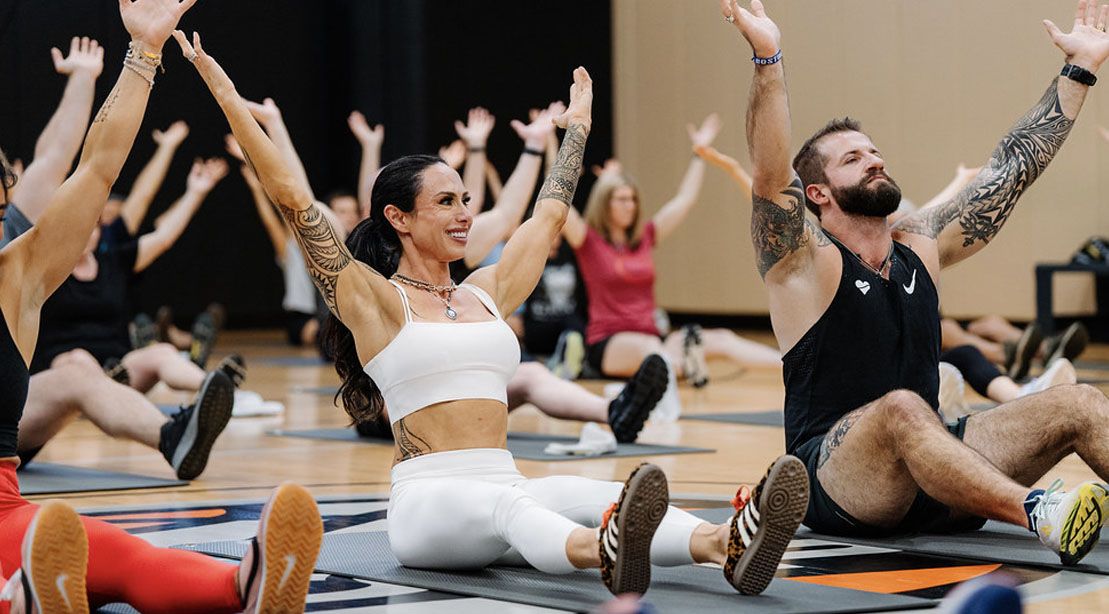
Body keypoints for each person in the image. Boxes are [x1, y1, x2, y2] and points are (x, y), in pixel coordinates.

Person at [176, 29, 807, 595]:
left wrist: (577, 130)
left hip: (504, 478)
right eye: (445, 201)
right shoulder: (374, 300)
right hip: (427, 507)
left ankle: (725, 543)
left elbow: (551, 213)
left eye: (466, 199)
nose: (464, 213)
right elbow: (293, 198)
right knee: (516, 514)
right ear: (398, 218)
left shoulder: (486, 290)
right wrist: (226, 95)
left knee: (597, 492)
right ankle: (603, 551)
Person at [725, 0, 1109, 564]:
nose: (875, 161)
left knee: (1081, 402)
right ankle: (1040, 511)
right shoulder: (806, 264)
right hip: (837, 480)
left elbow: (1012, 170)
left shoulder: (919, 244)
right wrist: (768, 58)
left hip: (934, 472)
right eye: (854, 158)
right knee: (902, 407)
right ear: (817, 194)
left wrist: (1080, 71)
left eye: (875, 151)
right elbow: (767, 176)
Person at [0, 1, 320, 612]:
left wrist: (144, 54)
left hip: (4, 507)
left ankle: (246, 586)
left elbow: (95, 170)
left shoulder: (13, 277)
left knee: (120, 554)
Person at [560, 121, 781, 388]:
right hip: (608, 343)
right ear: (604, 203)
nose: (629, 206)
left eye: (632, 199)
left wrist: (699, 153)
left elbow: (684, 200)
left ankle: (796, 366)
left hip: (654, 336)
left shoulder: (645, 237)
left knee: (722, 338)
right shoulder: (588, 241)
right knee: (653, 350)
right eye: (621, 199)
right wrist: (556, 154)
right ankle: (684, 363)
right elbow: (558, 206)